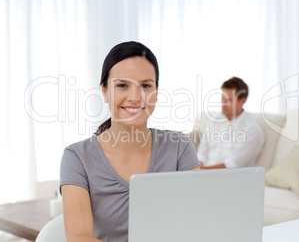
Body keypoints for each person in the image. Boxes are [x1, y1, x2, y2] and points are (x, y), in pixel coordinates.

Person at [60, 41, 200, 242]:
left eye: (145, 86)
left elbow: (199, 220)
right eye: (123, 85)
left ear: (156, 93)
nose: (135, 97)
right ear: (105, 91)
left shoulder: (180, 147)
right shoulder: (77, 158)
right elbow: (78, 237)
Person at [197, 77, 265, 169]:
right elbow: (202, 155)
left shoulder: (252, 130)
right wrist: (194, 170)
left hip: (231, 178)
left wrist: (202, 171)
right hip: (205, 174)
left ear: (242, 101)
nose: (223, 103)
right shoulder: (216, 120)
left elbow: (232, 165)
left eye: (229, 100)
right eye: (222, 98)